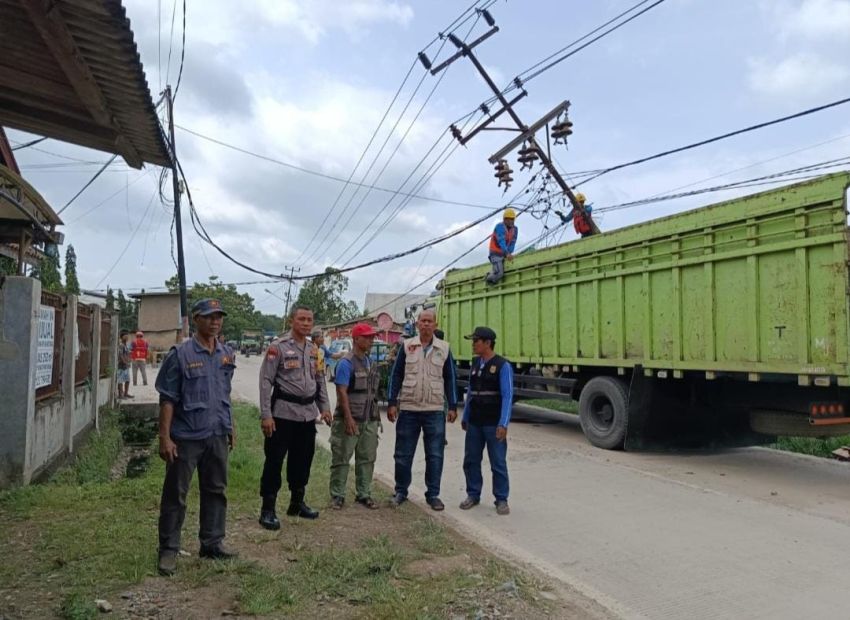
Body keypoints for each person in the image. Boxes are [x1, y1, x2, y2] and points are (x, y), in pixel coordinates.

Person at [154, 298, 237, 576]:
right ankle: (168, 549)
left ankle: (212, 542)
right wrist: (165, 437)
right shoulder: (180, 354)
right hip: (186, 436)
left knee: (216, 490)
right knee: (175, 494)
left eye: (219, 317)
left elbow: (225, 393)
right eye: (209, 316)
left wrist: (230, 427)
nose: (215, 321)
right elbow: (167, 399)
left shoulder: (226, 353)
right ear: (197, 319)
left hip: (216, 433)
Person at [258, 305, 332, 530]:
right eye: (301, 319)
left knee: (303, 460)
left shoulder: (314, 350)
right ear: (292, 321)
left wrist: (325, 407)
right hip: (282, 414)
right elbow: (265, 381)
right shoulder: (278, 347)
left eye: (309, 319)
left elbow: (320, 380)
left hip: (307, 416)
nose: (306, 323)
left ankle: (297, 503)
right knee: (274, 461)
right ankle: (268, 509)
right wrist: (266, 415)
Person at [386, 309, 458, 511]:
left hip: (434, 409)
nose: (426, 324)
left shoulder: (444, 348)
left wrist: (452, 405)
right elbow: (396, 374)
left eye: (429, 321)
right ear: (417, 324)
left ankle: (433, 495)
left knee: (435, 455)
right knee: (403, 454)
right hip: (409, 408)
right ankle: (401, 491)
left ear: (435, 325)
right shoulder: (407, 346)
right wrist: (392, 402)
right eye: (423, 321)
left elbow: (450, 378)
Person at [459, 326, 513, 516]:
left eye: (476, 341)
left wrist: (503, 423)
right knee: (471, 460)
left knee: (498, 462)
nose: (473, 344)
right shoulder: (475, 364)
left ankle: (501, 499)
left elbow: (507, 396)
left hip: (493, 423)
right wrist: (465, 416)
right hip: (475, 422)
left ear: (488, 343)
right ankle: (473, 494)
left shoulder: (502, 366)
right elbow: (471, 392)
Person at [329, 323, 381, 510]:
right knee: (342, 458)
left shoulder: (371, 363)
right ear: (356, 339)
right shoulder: (346, 363)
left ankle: (364, 494)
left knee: (367, 458)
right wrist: (348, 419)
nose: (371, 340)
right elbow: (341, 392)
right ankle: (337, 495)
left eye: (372, 337)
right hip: (349, 419)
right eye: (367, 337)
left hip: (369, 419)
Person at [486, 208, 519, 285]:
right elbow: (501, 241)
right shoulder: (499, 227)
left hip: (504, 254)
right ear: (505, 219)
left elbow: (513, 242)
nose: (511, 221)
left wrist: (509, 253)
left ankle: (493, 278)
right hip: (495, 253)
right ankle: (488, 277)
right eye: (509, 219)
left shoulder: (515, 229)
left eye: (513, 219)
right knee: (499, 273)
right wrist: (507, 253)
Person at [117, 330, 133, 399]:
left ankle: (126, 393)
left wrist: (129, 361)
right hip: (121, 366)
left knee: (127, 380)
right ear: (122, 337)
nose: (127, 337)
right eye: (125, 336)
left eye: (127, 336)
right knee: (120, 380)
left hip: (126, 366)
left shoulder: (126, 345)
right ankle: (121, 395)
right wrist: (125, 362)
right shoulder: (121, 345)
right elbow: (120, 355)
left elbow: (127, 354)